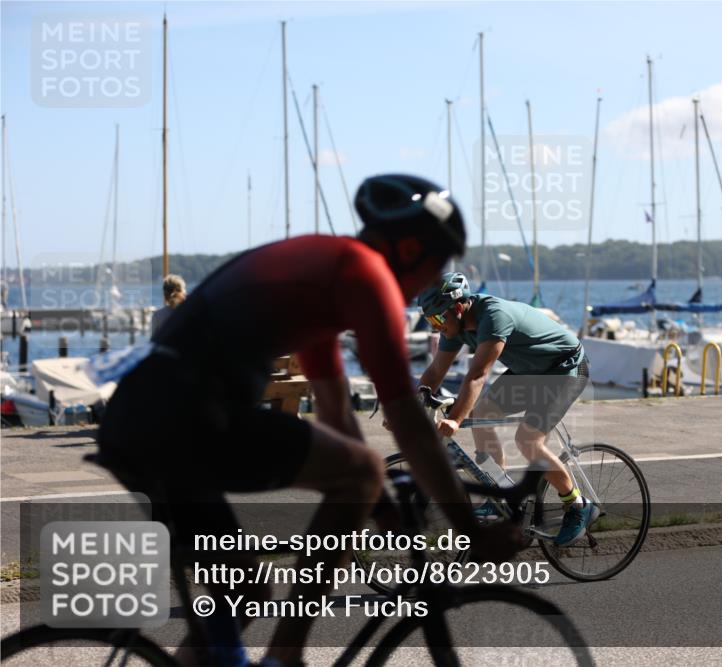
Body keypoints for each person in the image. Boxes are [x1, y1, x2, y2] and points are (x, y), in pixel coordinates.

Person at [97, 175, 520, 667]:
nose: (434, 281)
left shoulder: (326, 279)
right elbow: (406, 417)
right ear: (409, 248)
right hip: (183, 419)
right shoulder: (366, 277)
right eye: (437, 263)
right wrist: (471, 531)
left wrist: (377, 499)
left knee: (246, 594)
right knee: (358, 472)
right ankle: (287, 654)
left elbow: (336, 412)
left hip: (145, 419)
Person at [416, 272, 598, 546]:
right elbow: (434, 372)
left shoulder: (494, 316)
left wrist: (454, 420)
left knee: (527, 440)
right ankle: (500, 497)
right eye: (430, 321)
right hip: (530, 371)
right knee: (481, 416)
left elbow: (478, 375)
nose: (435, 327)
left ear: (457, 307)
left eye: (438, 319)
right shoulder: (454, 326)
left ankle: (577, 504)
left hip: (566, 367)